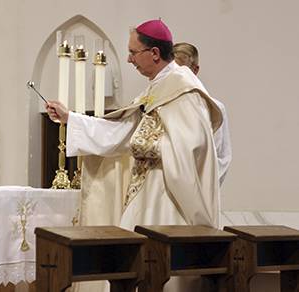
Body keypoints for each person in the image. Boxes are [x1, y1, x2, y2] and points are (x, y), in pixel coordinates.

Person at [47, 19, 223, 292]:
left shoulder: (183, 87)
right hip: (144, 192)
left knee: (160, 272)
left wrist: (149, 145)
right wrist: (71, 118)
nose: (129, 60)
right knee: (131, 266)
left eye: (133, 52)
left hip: (170, 199)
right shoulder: (156, 88)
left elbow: (194, 144)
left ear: (154, 53)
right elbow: (123, 131)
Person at [173, 42, 231, 185]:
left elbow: (220, 157)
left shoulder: (214, 108)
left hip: (200, 185)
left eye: (183, 71)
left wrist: (203, 187)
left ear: (195, 70)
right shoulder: (161, 106)